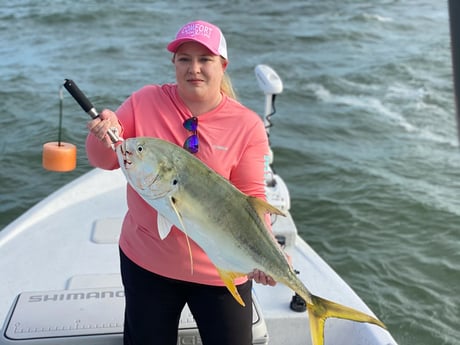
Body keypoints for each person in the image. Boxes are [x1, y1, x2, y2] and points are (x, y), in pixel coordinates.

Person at [86, 20, 276, 345]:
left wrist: (266, 253)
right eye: (185, 59)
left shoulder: (246, 125)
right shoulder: (145, 101)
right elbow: (105, 159)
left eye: (205, 60)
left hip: (220, 271)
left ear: (223, 65)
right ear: (174, 63)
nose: (194, 69)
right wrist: (104, 132)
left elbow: (251, 196)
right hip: (146, 262)